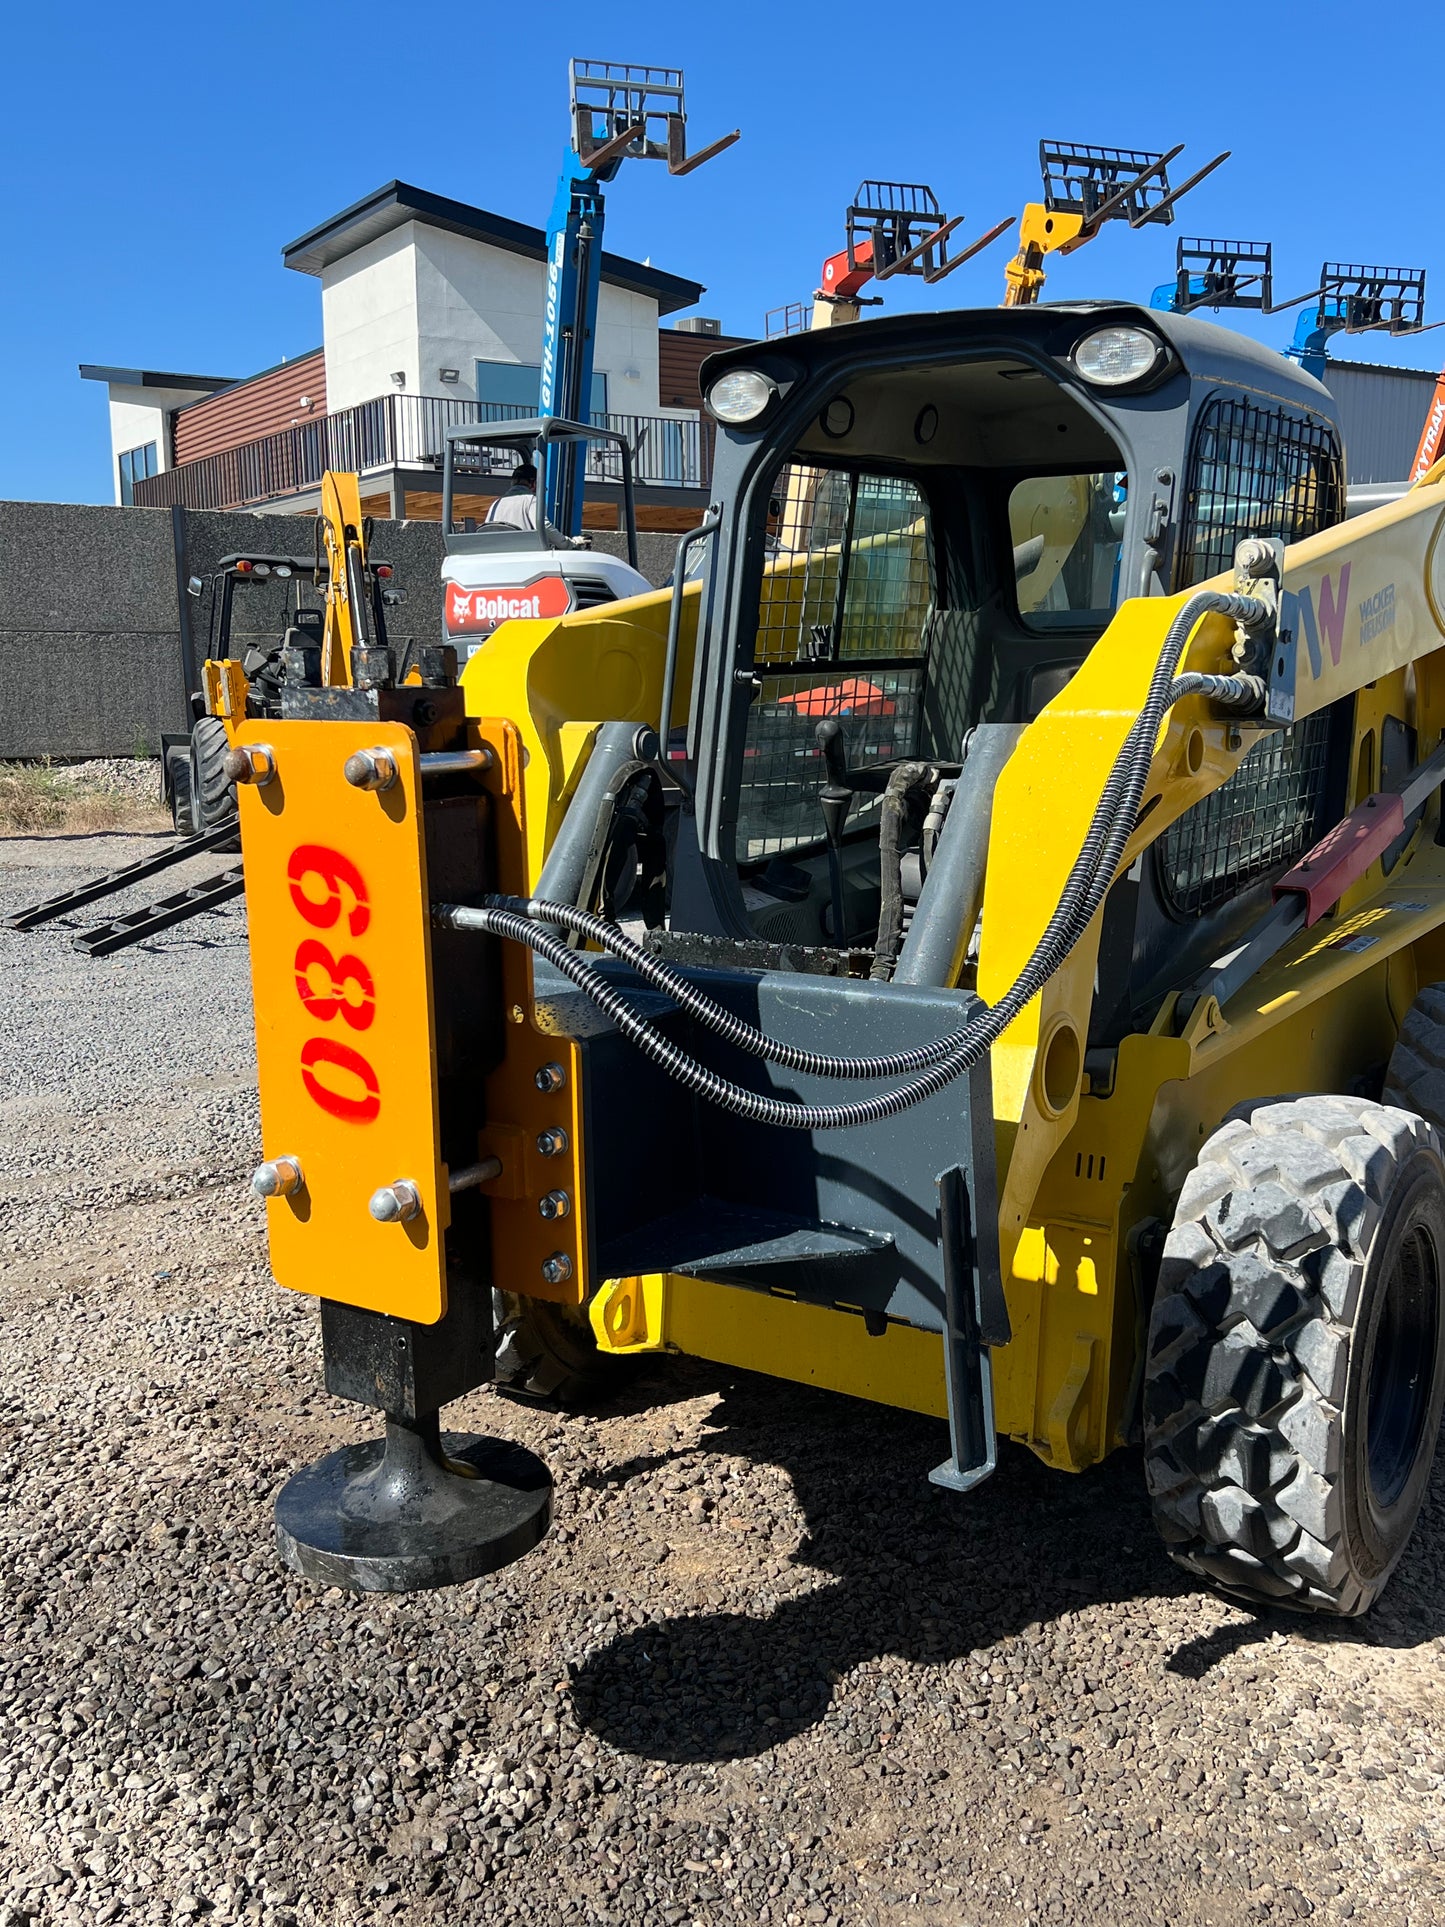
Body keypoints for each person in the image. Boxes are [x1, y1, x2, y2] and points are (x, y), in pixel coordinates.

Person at [485, 463, 585, 547]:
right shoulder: (531, 500)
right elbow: (544, 527)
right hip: (525, 555)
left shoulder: (496, 504)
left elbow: (486, 530)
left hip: (498, 554)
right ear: (534, 483)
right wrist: (568, 543)